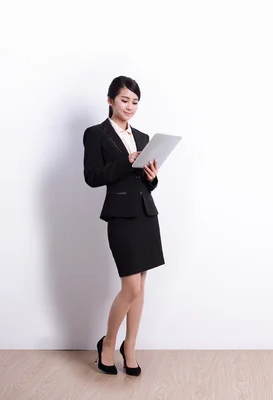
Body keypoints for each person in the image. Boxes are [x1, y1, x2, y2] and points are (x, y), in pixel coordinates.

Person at [82, 76, 165, 376]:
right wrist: (126, 161)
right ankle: (108, 344)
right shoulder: (96, 134)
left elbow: (144, 182)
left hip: (145, 214)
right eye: (124, 100)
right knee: (129, 288)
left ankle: (129, 348)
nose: (130, 106)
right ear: (110, 101)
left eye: (135, 102)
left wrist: (151, 176)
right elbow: (91, 176)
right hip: (120, 216)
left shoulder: (143, 137)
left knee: (140, 287)